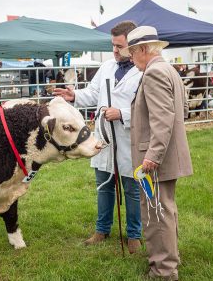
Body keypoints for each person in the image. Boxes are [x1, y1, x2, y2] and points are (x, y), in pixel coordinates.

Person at [53, 21, 143, 254]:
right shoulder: (106, 67)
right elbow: (93, 93)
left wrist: (122, 113)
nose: (114, 50)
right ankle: (102, 230)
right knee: (104, 185)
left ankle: (134, 234)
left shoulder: (143, 71)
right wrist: (74, 95)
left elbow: (147, 109)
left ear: (131, 44)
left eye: (119, 46)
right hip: (103, 137)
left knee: (132, 188)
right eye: (112, 45)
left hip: (128, 138)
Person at [120, 25, 193, 280]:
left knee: (156, 214)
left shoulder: (153, 73)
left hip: (156, 161)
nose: (130, 57)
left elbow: (162, 119)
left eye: (132, 52)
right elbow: (180, 110)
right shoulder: (168, 69)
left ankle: (163, 271)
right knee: (165, 210)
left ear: (142, 49)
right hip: (167, 156)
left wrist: (152, 157)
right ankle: (169, 260)